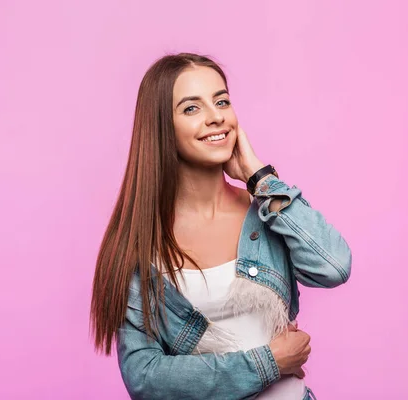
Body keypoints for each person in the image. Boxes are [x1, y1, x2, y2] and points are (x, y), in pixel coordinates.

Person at [90, 52, 352, 400]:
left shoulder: (267, 212)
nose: (216, 118)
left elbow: (333, 267)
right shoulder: (140, 245)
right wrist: (269, 362)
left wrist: (261, 179)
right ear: (161, 128)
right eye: (191, 108)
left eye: (222, 101)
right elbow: (146, 378)